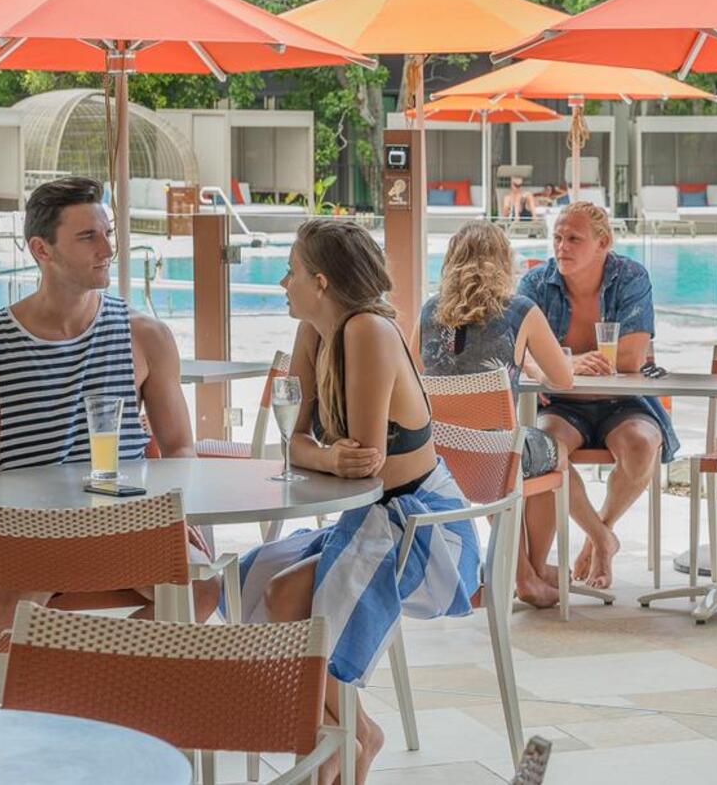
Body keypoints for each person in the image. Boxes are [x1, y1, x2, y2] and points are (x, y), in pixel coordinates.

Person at [235, 218, 481, 784]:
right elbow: (297, 443)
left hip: (422, 530)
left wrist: (319, 455)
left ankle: (350, 740)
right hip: (370, 518)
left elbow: (364, 459)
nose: (281, 283)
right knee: (251, 579)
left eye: (290, 271)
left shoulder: (366, 331)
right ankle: (341, 739)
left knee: (283, 594)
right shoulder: (313, 333)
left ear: (320, 281)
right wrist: (322, 457)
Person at [0, 176, 219, 633]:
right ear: (41, 250)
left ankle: (96, 677)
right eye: (88, 236)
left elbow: (180, 450)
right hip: (27, 531)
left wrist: (173, 513)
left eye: (107, 233)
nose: (107, 248)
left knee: (204, 588)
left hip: (127, 522)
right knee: (5, 616)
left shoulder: (144, 334)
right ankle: (90, 678)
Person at [415, 221, 615, 606]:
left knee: (517, 452)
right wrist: (534, 365)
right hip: (495, 458)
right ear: (502, 262)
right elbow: (563, 379)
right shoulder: (518, 310)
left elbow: (414, 372)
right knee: (551, 452)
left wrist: (522, 367)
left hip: (440, 455)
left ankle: (526, 573)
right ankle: (529, 576)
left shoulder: (429, 311)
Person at [520, 202, 677, 589]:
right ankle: (604, 538)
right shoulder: (537, 284)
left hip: (622, 403)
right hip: (561, 402)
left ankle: (598, 534)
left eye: (573, 238)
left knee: (643, 445)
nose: (561, 247)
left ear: (603, 242)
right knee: (546, 450)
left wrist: (558, 359)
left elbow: (631, 356)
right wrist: (567, 366)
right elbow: (518, 349)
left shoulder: (630, 277)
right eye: (557, 237)